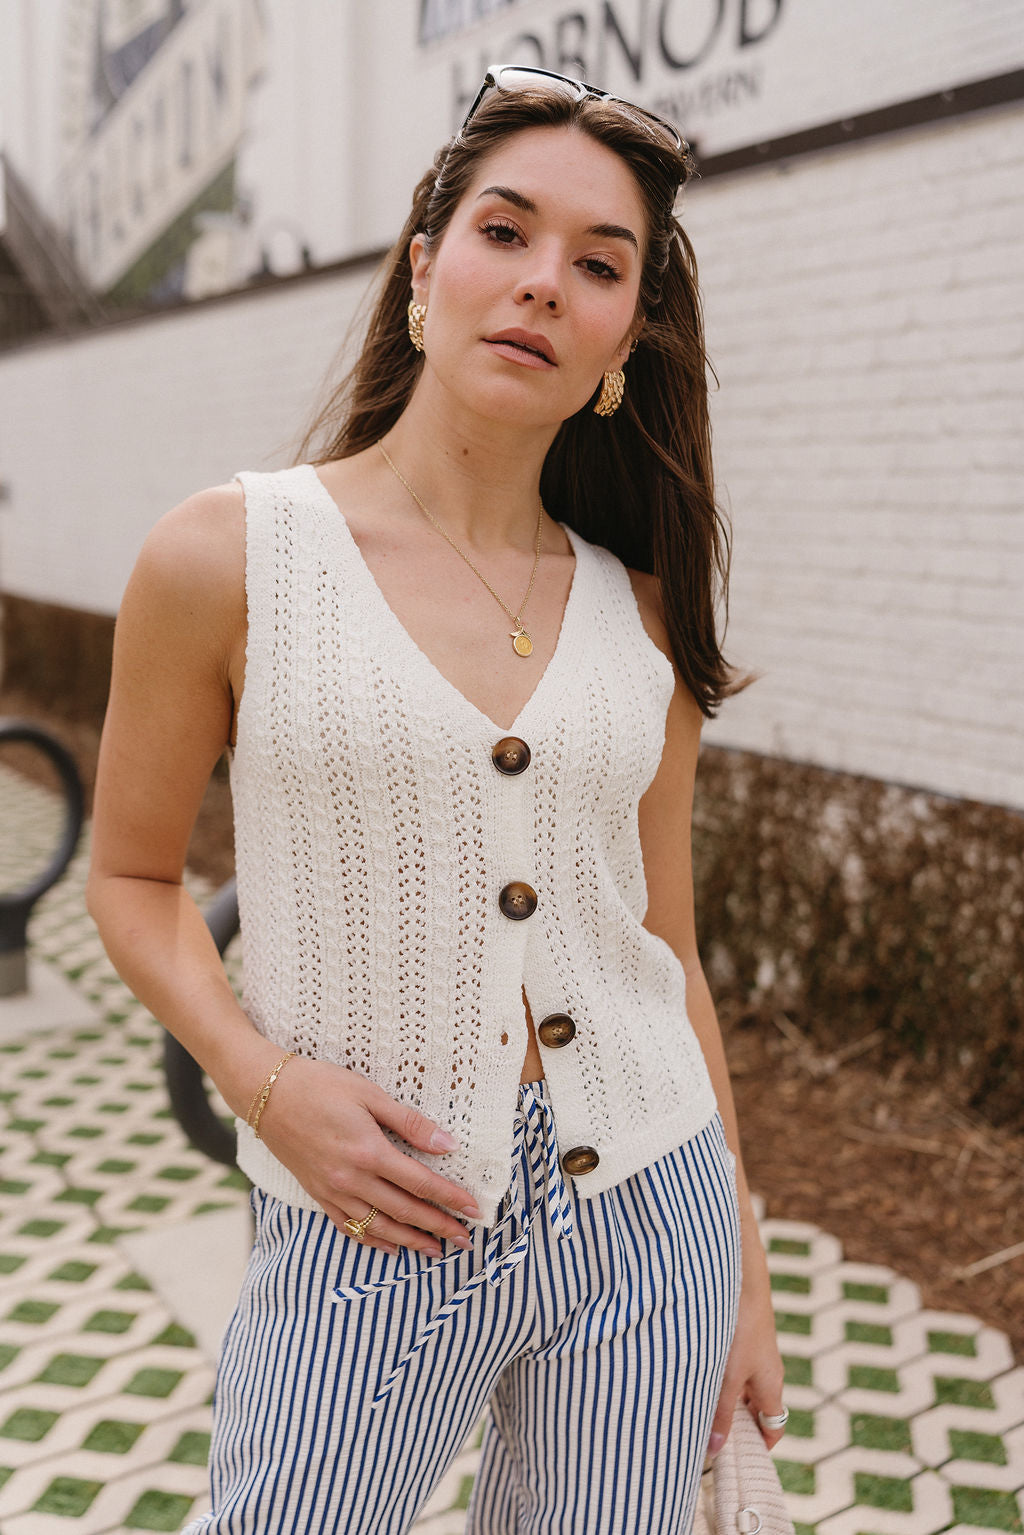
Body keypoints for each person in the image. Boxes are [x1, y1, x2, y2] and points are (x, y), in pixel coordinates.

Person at [88, 64, 787, 1535]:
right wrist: (266, 1091)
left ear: (624, 336)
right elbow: (131, 880)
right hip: (373, 1215)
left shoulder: (642, 607)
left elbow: (668, 950)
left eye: (600, 266)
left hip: (649, 1210)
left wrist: (743, 1259)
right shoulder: (229, 558)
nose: (543, 284)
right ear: (425, 266)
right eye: (505, 232)